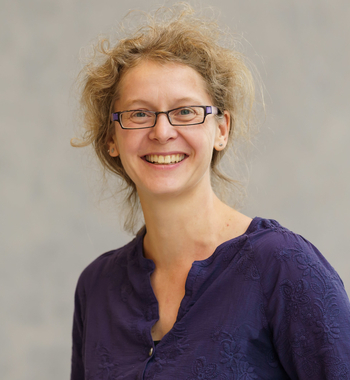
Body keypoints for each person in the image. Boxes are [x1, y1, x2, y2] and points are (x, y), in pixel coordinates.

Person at [70, 3, 350, 379]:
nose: (162, 131)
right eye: (139, 113)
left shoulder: (282, 266)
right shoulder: (98, 286)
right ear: (111, 139)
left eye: (185, 111)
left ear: (221, 130)